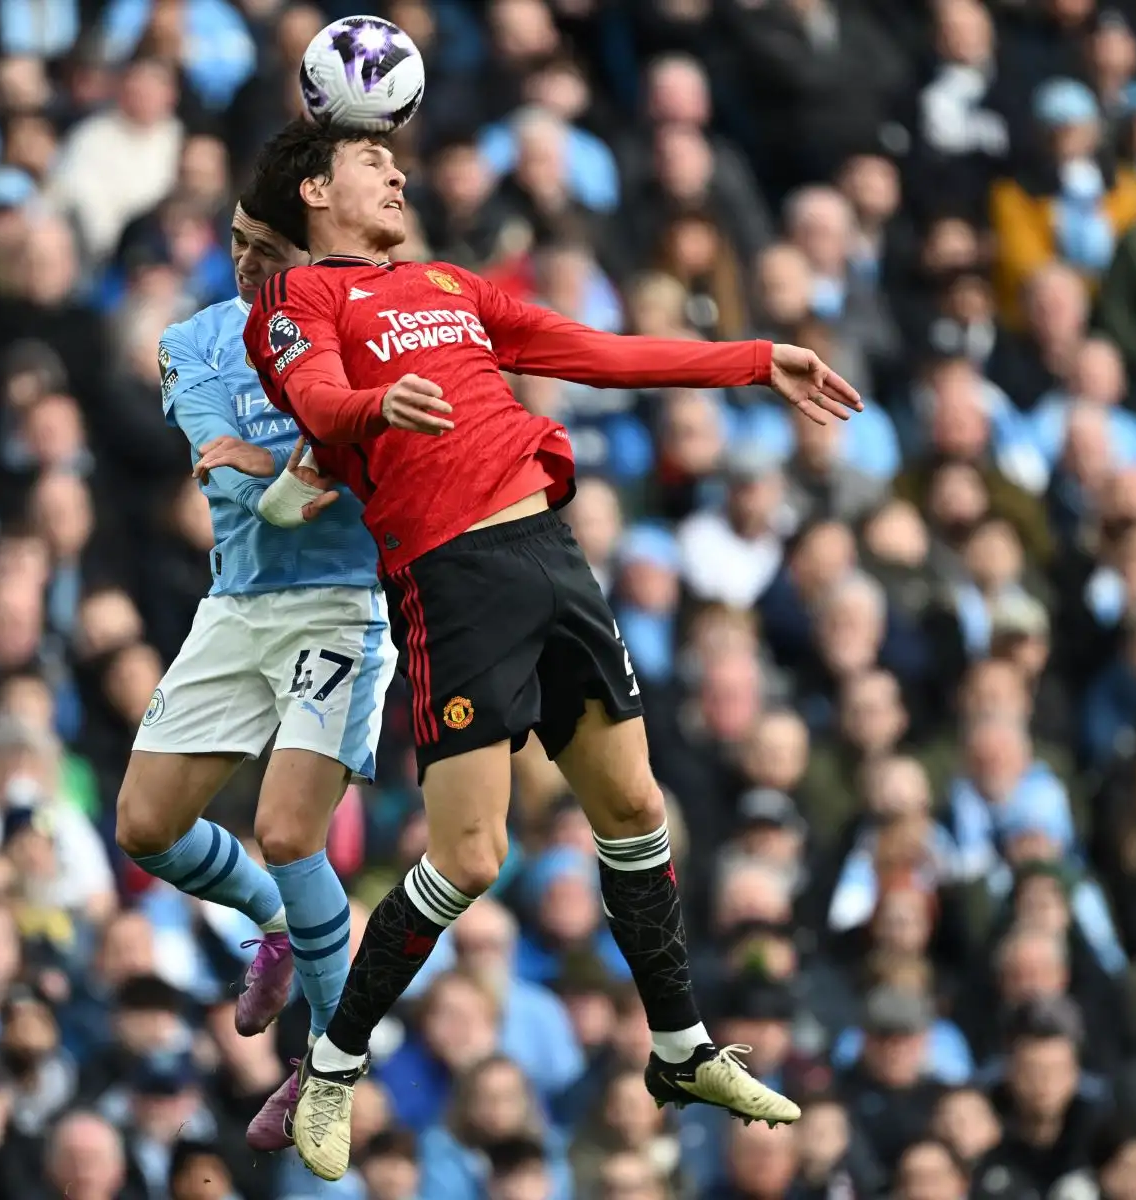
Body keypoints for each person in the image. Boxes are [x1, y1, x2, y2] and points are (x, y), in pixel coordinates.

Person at [208, 117, 860, 1181]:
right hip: (452, 582)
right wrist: (376, 405)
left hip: (550, 553)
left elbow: (597, 353)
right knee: (470, 858)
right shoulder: (298, 301)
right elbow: (319, 401)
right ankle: (331, 1065)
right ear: (317, 190)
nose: (398, 174)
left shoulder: (453, 288)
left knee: (638, 811)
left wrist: (750, 362)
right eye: (376, 162)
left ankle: (679, 1049)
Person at [112, 201, 398, 1149]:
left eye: (265, 246)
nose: (243, 260)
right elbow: (222, 470)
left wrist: (300, 468)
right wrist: (301, 468)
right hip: (234, 606)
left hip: (342, 604)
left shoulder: (360, 332)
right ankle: (275, 920)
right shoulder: (188, 341)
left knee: (287, 829)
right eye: (234, 241)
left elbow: (383, 457)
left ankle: (327, 1065)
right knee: (144, 827)